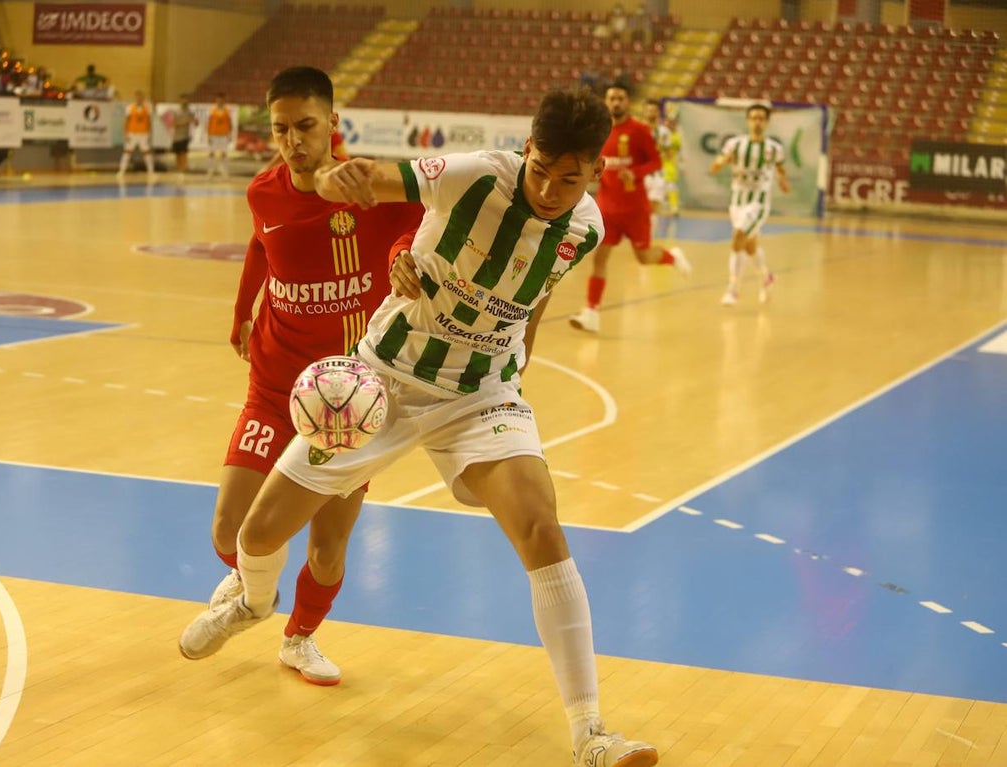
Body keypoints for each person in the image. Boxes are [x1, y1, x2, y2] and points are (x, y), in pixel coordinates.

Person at [229, 87, 660, 767]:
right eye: (540, 170)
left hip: (480, 395)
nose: (549, 190)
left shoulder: (586, 228)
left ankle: (591, 734)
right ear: (526, 149)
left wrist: (520, 357)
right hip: (384, 379)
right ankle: (254, 602)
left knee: (542, 529)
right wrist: (340, 178)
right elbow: (378, 179)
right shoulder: (476, 174)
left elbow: (536, 292)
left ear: (595, 173)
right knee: (257, 534)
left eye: (568, 179)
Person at [177, 66, 424, 686]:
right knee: (229, 528)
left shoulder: (376, 188)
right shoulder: (263, 192)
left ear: (333, 122)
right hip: (274, 381)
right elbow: (261, 246)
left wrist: (400, 257)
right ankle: (252, 592)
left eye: (306, 126)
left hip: (349, 396)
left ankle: (299, 640)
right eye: (281, 129)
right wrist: (242, 311)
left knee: (327, 548)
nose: (294, 141)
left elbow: (419, 227)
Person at [570, 79, 689, 334]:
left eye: (620, 98)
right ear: (606, 101)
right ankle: (591, 312)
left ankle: (672, 257)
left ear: (628, 102)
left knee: (644, 258)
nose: (616, 103)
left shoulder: (639, 131)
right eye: (612, 98)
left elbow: (657, 162)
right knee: (599, 258)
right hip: (607, 208)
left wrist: (634, 173)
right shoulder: (598, 131)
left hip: (635, 209)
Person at [709, 103, 791, 306]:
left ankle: (733, 289)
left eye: (761, 118)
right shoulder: (735, 144)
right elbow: (716, 164)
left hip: (759, 203)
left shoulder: (774, 148)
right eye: (754, 118)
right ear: (747, 121)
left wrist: (783, 181)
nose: (757, 122)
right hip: (737, 202)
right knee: (749, 246)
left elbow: (780, 168)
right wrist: (719, 163)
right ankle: (766, 276)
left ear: (767, 122)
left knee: (738, 236)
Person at [116, 89, 154, 180]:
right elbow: (126, 121)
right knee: (127, 152)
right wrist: (125, 133)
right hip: (132, 133)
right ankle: (121, 171)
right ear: (135, 97)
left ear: (143, 98)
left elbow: (149, 121)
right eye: (137, 96)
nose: (139, 98)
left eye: (141, 96)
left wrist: (149, 133)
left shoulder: (148, 108)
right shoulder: (130, 107)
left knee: (146, 152)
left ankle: (151, 171)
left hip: (143, 133)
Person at [169, 96, 197, 182]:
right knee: (177, 154)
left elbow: (194, 122)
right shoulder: (176, 111)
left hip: (185, 135)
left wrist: (194, 121)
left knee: (183, 153)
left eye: (186, 101)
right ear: (180, 101)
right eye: (182, 100)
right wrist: (184, 122)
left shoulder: (189, 112)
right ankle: (178, 169)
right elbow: (173, 123)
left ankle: (183, 170)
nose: (184, 102)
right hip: (176, 136)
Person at [204, 92, 231, 178]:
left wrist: (229, 134)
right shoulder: (211, 110)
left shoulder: (227, 111)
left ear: (224, 101)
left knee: (224, 153)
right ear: (216, 101)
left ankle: (224, 172)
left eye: (221, 100)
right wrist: (208, 135)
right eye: (218, 100)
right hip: (213, 134)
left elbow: (230, 123)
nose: (219, 102)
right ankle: (210, 171)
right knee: (211, 153)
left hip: (224, 135)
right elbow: (208, 123)